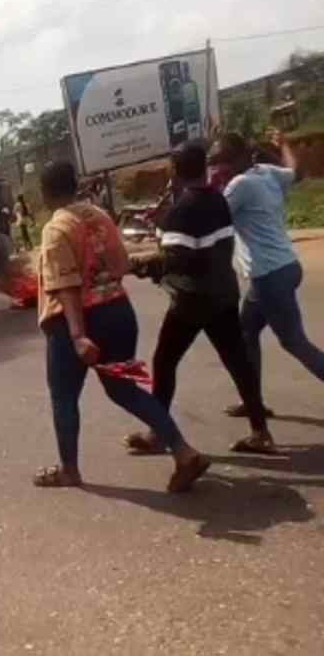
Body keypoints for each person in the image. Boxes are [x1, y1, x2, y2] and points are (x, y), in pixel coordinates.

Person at [35, 160, 210, 492]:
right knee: (123, 389)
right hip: (117, 311)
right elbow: (121, 264)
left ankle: (69, 471)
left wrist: (77, 335)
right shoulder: (99, 216)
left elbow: (67, 285)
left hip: (77, 321)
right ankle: (184, 451)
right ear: (76, 184)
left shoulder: (56, 229)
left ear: (45, 193)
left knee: (64, 396)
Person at [127, 142, 276, 455]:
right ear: (203, 169)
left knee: (164, 361)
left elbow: (176, 259)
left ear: (176, 172)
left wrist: (140, 265)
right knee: (238, 362)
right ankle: (261, 432)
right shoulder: (218, 200)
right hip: (224, 294)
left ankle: (158, 434)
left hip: (192, 300)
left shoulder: (182, 210)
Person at [211, 131, 324, 415]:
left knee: (293, 341)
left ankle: (253, 403)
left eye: (223, 160)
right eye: (217, 161)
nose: (220, 167)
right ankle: (253, 402)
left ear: (239, 158)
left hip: (269, 276)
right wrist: (284, 144)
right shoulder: (266, 172)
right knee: (246, 330)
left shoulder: (239, 185)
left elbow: (212, 219)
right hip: (285, 267)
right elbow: (297, 172)